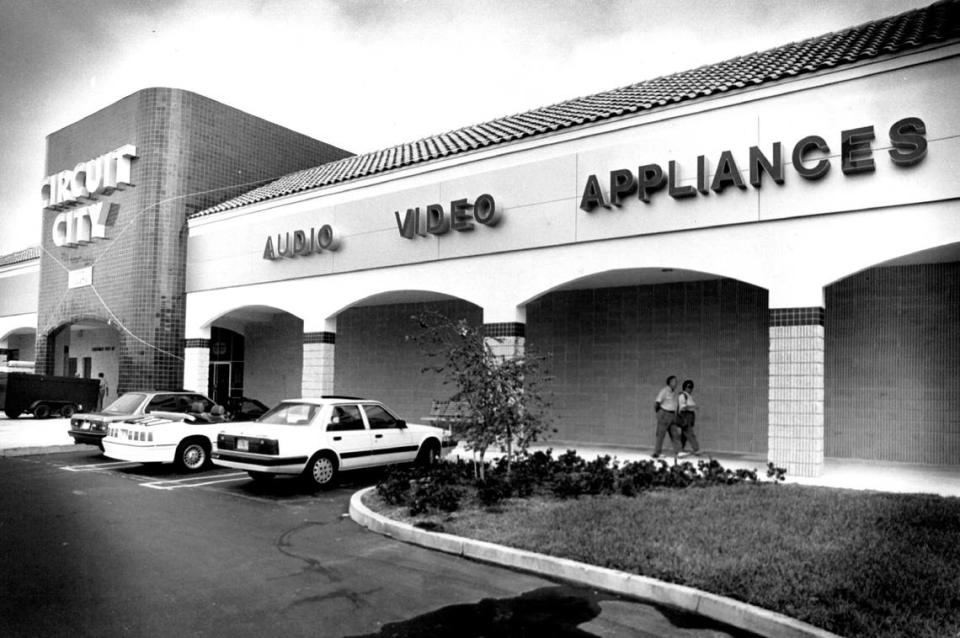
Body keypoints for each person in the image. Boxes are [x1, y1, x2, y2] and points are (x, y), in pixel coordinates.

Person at [652, 375, 681, 458]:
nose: (676, 383)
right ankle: (657, 453)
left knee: (675, 434)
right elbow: (657, 402)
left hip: (672, 415)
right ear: (670, 382)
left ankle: (678, 451)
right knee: (661, 434)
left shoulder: (674, 392)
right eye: (675, 381)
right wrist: (659, 413)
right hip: (664, 414)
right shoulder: (664, 391)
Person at [678, 379, 700, 456]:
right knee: (689, 433)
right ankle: (696, 449)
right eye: (689, 387)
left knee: (684, 435)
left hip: (690, 415)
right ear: (685, 387)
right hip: (686, 415)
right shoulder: (682, 395)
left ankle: (680, 449)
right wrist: (693, 406)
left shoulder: (688, 396)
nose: (690, 389)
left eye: (691, 387)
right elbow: (683, 407)